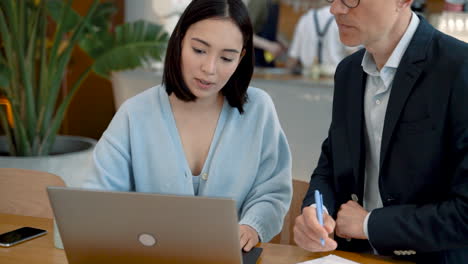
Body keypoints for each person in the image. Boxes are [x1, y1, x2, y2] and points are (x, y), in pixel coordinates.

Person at [82, 0, 292, 252]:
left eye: (227, 57)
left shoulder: (258, 109)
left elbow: (272, 190)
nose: (209, 69)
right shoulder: (135, 114)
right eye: (199, 50)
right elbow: (96, 197)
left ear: (241, 58)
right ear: (180, 40)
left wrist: (252, 225)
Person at [293, 0, 468, 263]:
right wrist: (316, 213)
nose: (335, 9)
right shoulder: (348, 72)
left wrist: (370, 225)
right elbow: (330, 166)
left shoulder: (458, 68)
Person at [286, 1, 354, 75]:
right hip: (335, 76)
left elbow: (293, 58)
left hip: (308, 76)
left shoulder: (305, 19)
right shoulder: (341, 19)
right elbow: (352, 53)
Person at [246, 0, 286, 67]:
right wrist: (269, 45)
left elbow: (266, 30)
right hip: (254, 62)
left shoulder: (274, 3)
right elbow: (244, 33)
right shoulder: (258, 2)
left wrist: (282, 42)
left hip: (267, 61)